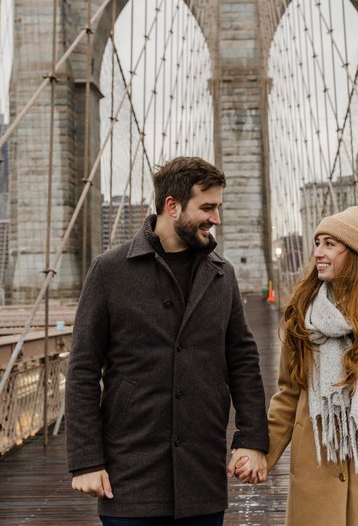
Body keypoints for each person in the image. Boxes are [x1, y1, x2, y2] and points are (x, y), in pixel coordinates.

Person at [67, 156, 269, 525]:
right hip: (130, 479)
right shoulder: (109, 271)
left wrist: (252, 439)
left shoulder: (222, 275)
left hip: (202, 478)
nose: (216, 218)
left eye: (218, 207)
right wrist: (85, 461)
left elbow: (243, 361)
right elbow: (81, 369)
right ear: (171, 206)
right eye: (207, 207)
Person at [237, 201, 358, 524]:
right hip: (315, 479)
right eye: (317, 243)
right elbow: (288, 396)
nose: (318, 252)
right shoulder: (302, 317)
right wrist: (262, 454)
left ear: (355, 254)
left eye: (329, 244)